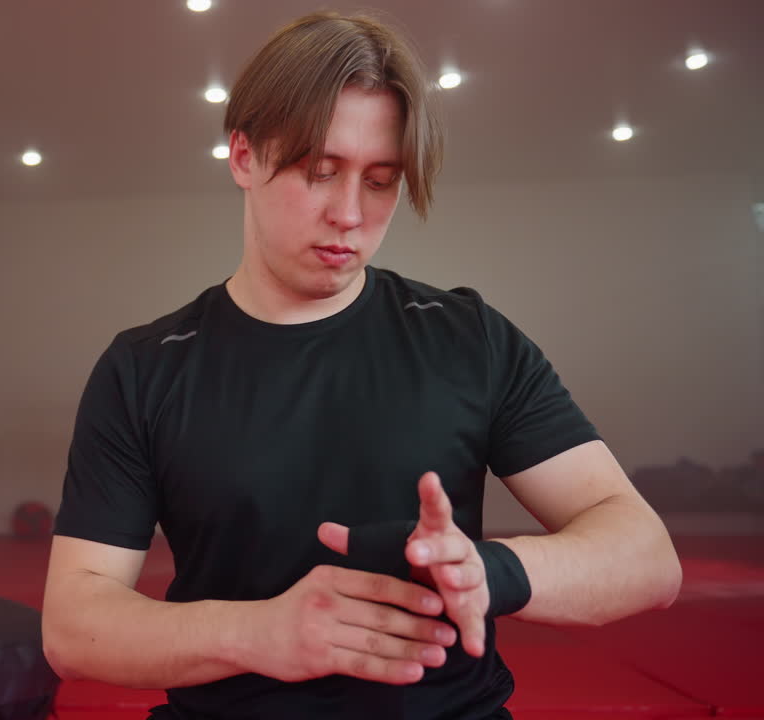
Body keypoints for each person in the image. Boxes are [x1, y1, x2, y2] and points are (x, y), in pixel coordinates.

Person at [41, 11, 682, 720]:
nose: (350, 213)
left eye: (381, 182)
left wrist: (489, 571)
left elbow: (647, 557)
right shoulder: (145, 369)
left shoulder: (468, 339)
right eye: (320, 172)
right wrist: (260, 634)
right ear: (244, 156)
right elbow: (74, 624)